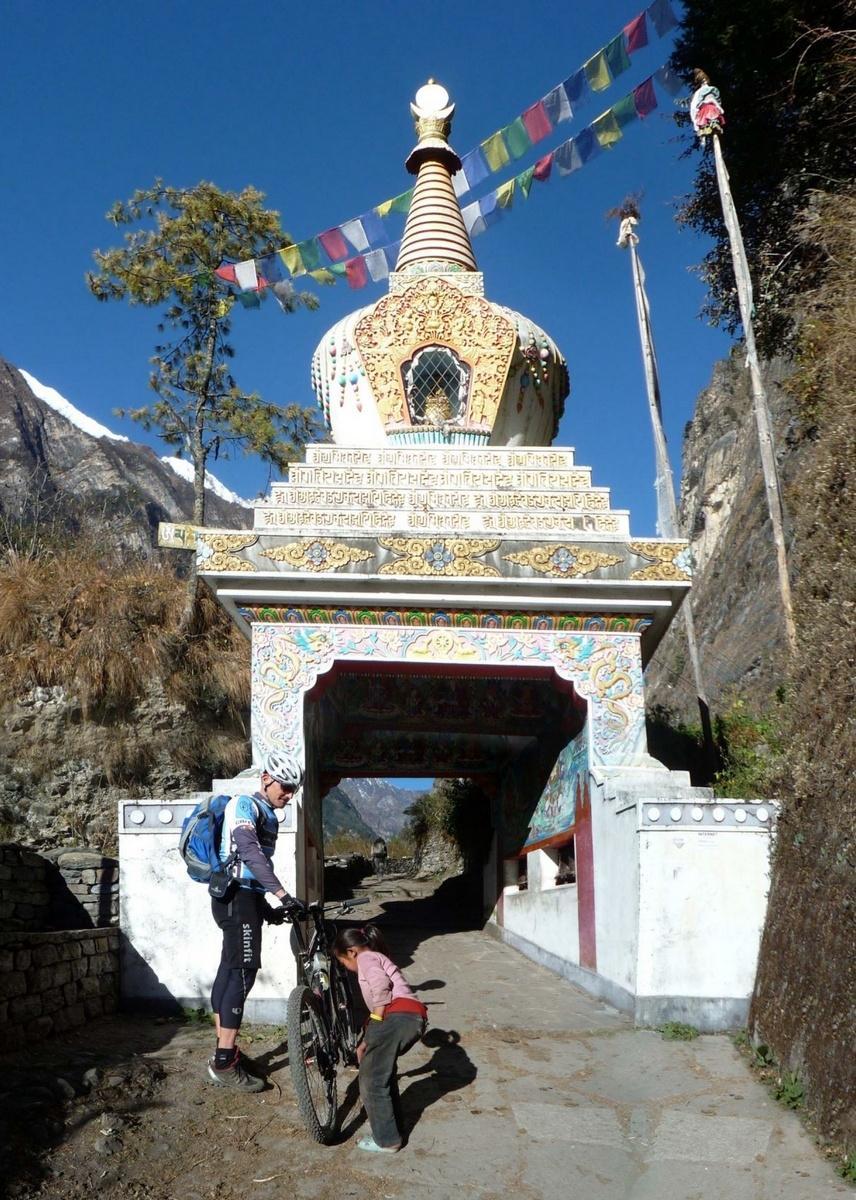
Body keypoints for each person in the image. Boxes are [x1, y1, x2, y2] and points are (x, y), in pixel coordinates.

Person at [208, 750, 306, 1092]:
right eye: (286, 787)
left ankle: (227, 1050)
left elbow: (249, 873)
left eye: (295, 789)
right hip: (236, 899)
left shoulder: (268, 813)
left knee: (229, 970)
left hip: (243, 899)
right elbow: (248, 852)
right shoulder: (243, 806)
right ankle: (224, 1062)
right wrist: (282, 895)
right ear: (266, 778)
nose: (290, 795)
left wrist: (269, 909)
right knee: (242, 971)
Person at [333, 925, 427, 1153]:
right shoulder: (375, 957)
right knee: (382, 1072)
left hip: (398, 1016)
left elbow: (381, 988)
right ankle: (395, 1130)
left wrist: (374, 1022)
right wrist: (367, 1040)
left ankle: (387, 1140)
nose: (347, 968)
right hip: (409, 1017)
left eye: (344, 962)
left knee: (372, 1079)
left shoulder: (366, 958)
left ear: (352, 951)